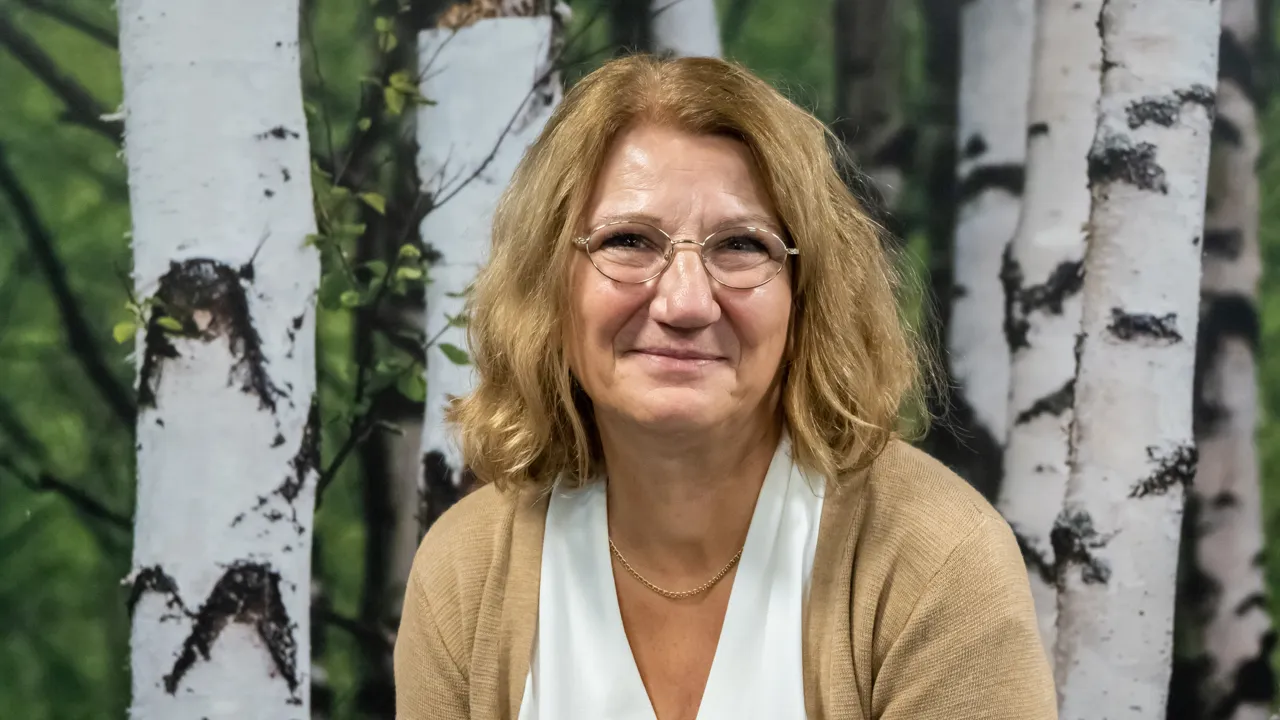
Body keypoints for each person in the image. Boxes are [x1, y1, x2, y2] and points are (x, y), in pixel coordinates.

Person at [394, 53, 1057, 720]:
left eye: (740, 246)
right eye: (628, 240)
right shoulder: (467, 572)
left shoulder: (934, 558)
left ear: (807, 295)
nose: (685, 303)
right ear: (549, 285)